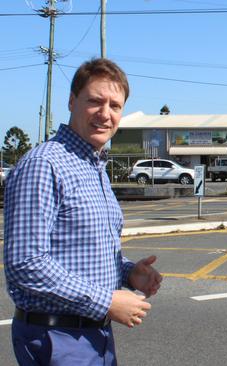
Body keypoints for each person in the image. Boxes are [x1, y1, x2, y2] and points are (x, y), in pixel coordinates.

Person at [3, 58, 162, 365]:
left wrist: (129, 273)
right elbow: (25, 263)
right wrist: (107, 301)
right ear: (72, 101)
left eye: (115, 105)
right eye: (95, 101)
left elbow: (82, 252)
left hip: (94, 337)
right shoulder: (44, 164)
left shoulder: (94, 166)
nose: (105, 114)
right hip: (57, 338)